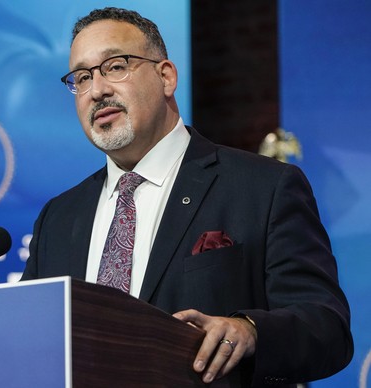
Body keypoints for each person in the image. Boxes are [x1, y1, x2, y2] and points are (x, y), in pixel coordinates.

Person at [21, 7, 353, 387]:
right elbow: (29, 342)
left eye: (115, 66)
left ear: (166, 76)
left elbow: (328, 328)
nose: (97, 90)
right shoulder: (59, 218)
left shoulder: (263, 187)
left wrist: (250, 330)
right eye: (82, 77)